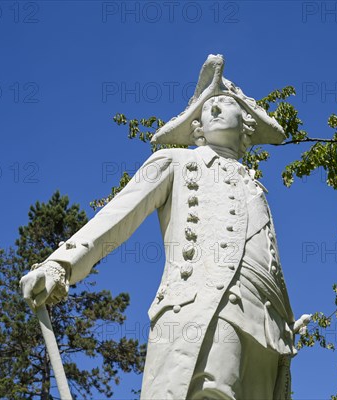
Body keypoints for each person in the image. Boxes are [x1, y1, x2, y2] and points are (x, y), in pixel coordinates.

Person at [20, 54, 303, 399]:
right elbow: (118, 215)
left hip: (267, 324)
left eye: (223, 103)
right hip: (207, 304)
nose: (212, 110)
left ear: (246, 123)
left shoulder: (257, 189)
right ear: (196, 128)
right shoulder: (177, 162)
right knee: (211, 392)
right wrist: (60, 265)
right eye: (205, 108)